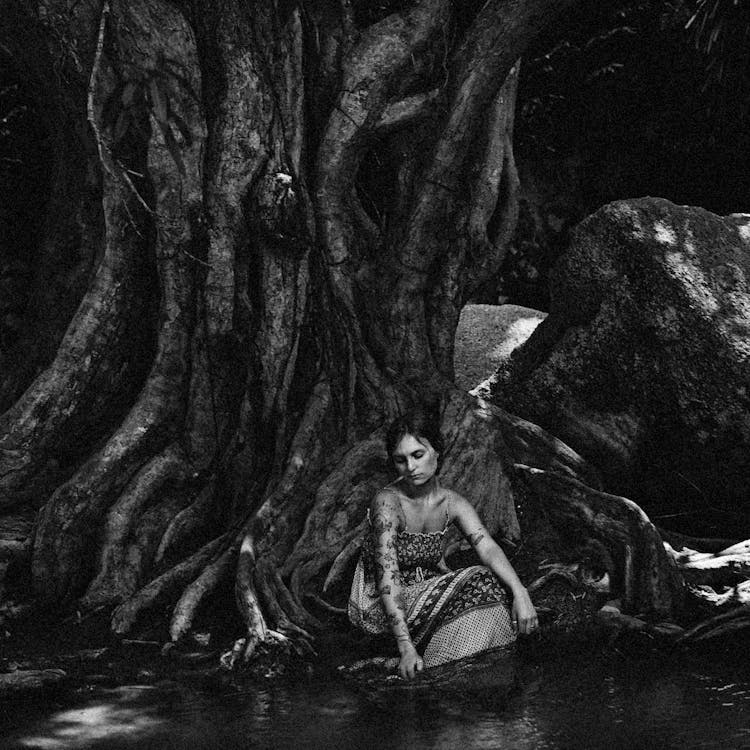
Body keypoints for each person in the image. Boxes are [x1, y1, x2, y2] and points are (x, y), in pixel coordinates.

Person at [348, 410, 538, 680]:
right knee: (479, 579)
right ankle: (427, 671)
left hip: (424, 592)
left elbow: (488, 547)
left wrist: (520, 591)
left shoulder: (452, 503)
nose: (411, 468)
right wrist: (405, 646)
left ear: (437, 451)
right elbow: (387, 577)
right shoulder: (387, 502)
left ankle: (458, 670)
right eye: (401, 460)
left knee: (494, 594)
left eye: (418, 455)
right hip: (378, 603)